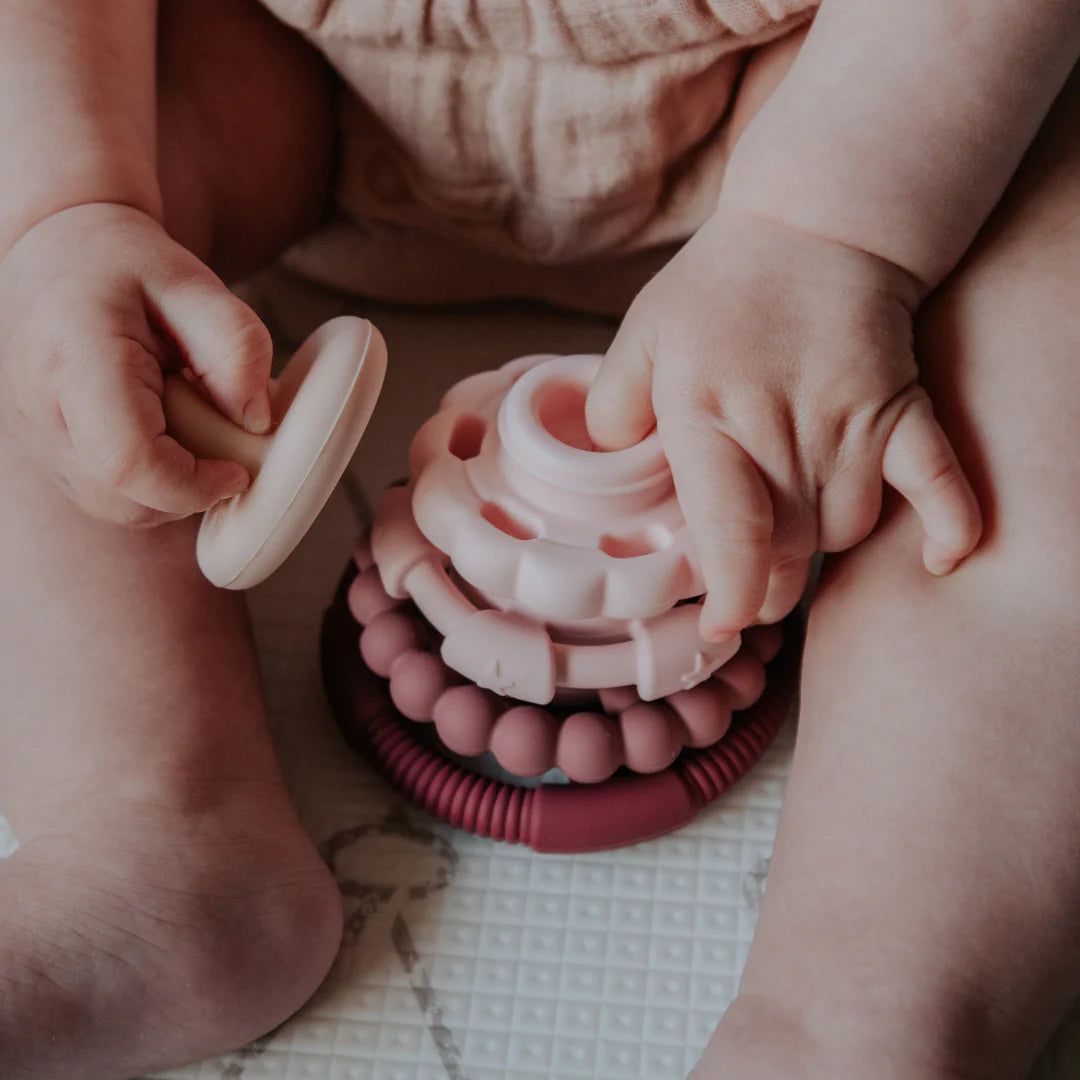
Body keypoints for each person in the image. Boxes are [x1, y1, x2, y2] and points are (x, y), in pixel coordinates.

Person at [0, 1, 1077, 1076]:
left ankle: (872, 999)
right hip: (286, 72)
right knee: (47, 320)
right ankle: (146, 824)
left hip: (863, 107)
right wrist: (67, 206)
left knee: (1040, 367)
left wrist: (827, 231)